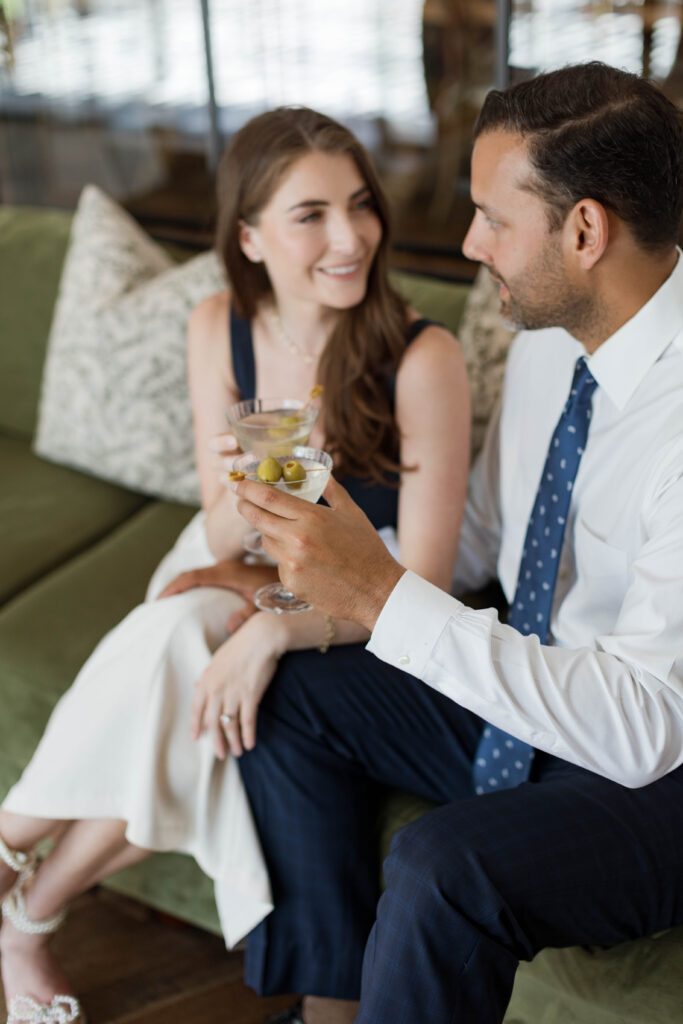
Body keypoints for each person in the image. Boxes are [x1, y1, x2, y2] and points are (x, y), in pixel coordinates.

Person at [231, 63, 683, 1024]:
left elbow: (645, 725)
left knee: (443, 864)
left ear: (585, 230)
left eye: (491, 217)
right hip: (542, 682)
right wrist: (322, 577)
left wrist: (381, 596)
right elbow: (480, 539)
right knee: (290, 696)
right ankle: (331, 1009)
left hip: (657, 756)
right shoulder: (546, 340)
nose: (470, 244)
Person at [0, 108, 469, 1024]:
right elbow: (221, 540)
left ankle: (20, 876)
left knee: (187, 660)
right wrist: (264, 478)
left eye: (360, 204)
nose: (350, 237)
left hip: (349, 598)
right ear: (249, 237)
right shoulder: (218, 324)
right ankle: (29, 915)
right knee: (185, 638)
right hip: (238, 560)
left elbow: (426, 587)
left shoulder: (423, 358)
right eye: (311, 215)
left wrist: (275, 614)